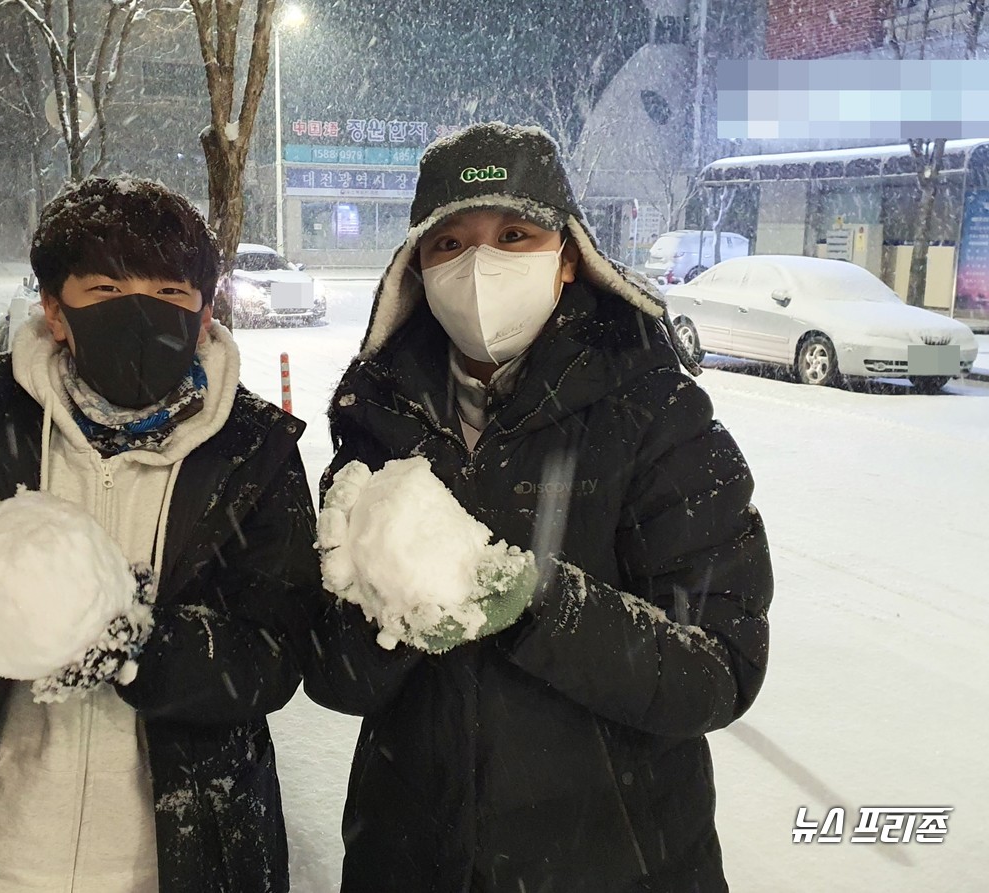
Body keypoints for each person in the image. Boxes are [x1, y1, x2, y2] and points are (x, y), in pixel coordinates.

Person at [302, 122, 773, 892]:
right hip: (411, 857)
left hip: (624, 861)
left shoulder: (655, 411)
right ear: (416, 267)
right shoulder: (377, 420)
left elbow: (718, 664)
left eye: (513, 233)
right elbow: (330, 670)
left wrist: (536, 606)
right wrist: (390, 609)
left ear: (566, 259)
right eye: (449, 242)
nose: (479, 264)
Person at [0, 176, 318, 892]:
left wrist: (140, 648)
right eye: (103, 292)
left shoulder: (251, 454)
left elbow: (276, 652)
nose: (139, 316)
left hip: (185, 862)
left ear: (203, 314)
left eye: (168, 295)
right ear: (54, 309)